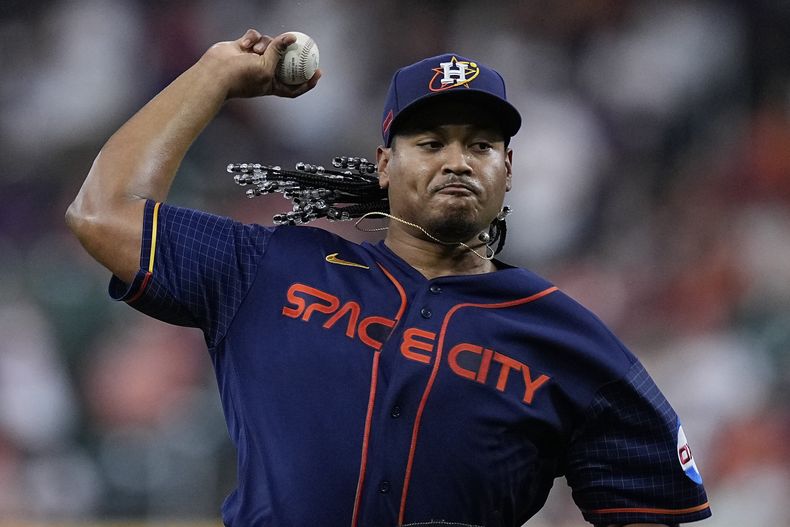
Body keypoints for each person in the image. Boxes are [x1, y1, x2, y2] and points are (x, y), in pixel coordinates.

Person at [66, 29, 712, 527]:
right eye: (430, 144)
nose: (456, 160)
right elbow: (104, 213)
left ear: (508, 168)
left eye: (480, 145)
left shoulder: (569, 340)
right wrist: (212, 75)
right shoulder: (269, 269)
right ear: (384, 164)